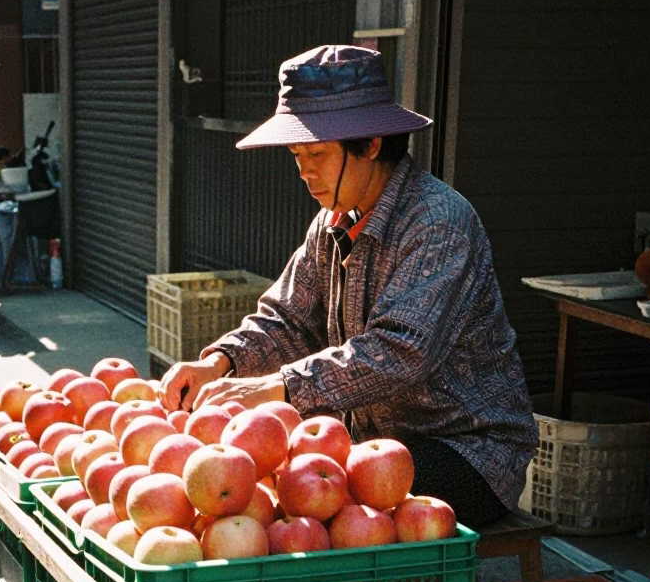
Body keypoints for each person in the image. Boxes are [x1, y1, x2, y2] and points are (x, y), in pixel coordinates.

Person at [159, 45, 538, 527]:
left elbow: (399, 353)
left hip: (470, 450)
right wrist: (220, 361)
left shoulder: (439, 222)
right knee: (289, 494)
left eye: (316, 153)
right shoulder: (332, 222)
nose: (304, 171)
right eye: (297, 155)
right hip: (376, 442)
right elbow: (288, 318)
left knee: (330, 510)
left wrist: (277, 388)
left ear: (372, 143)